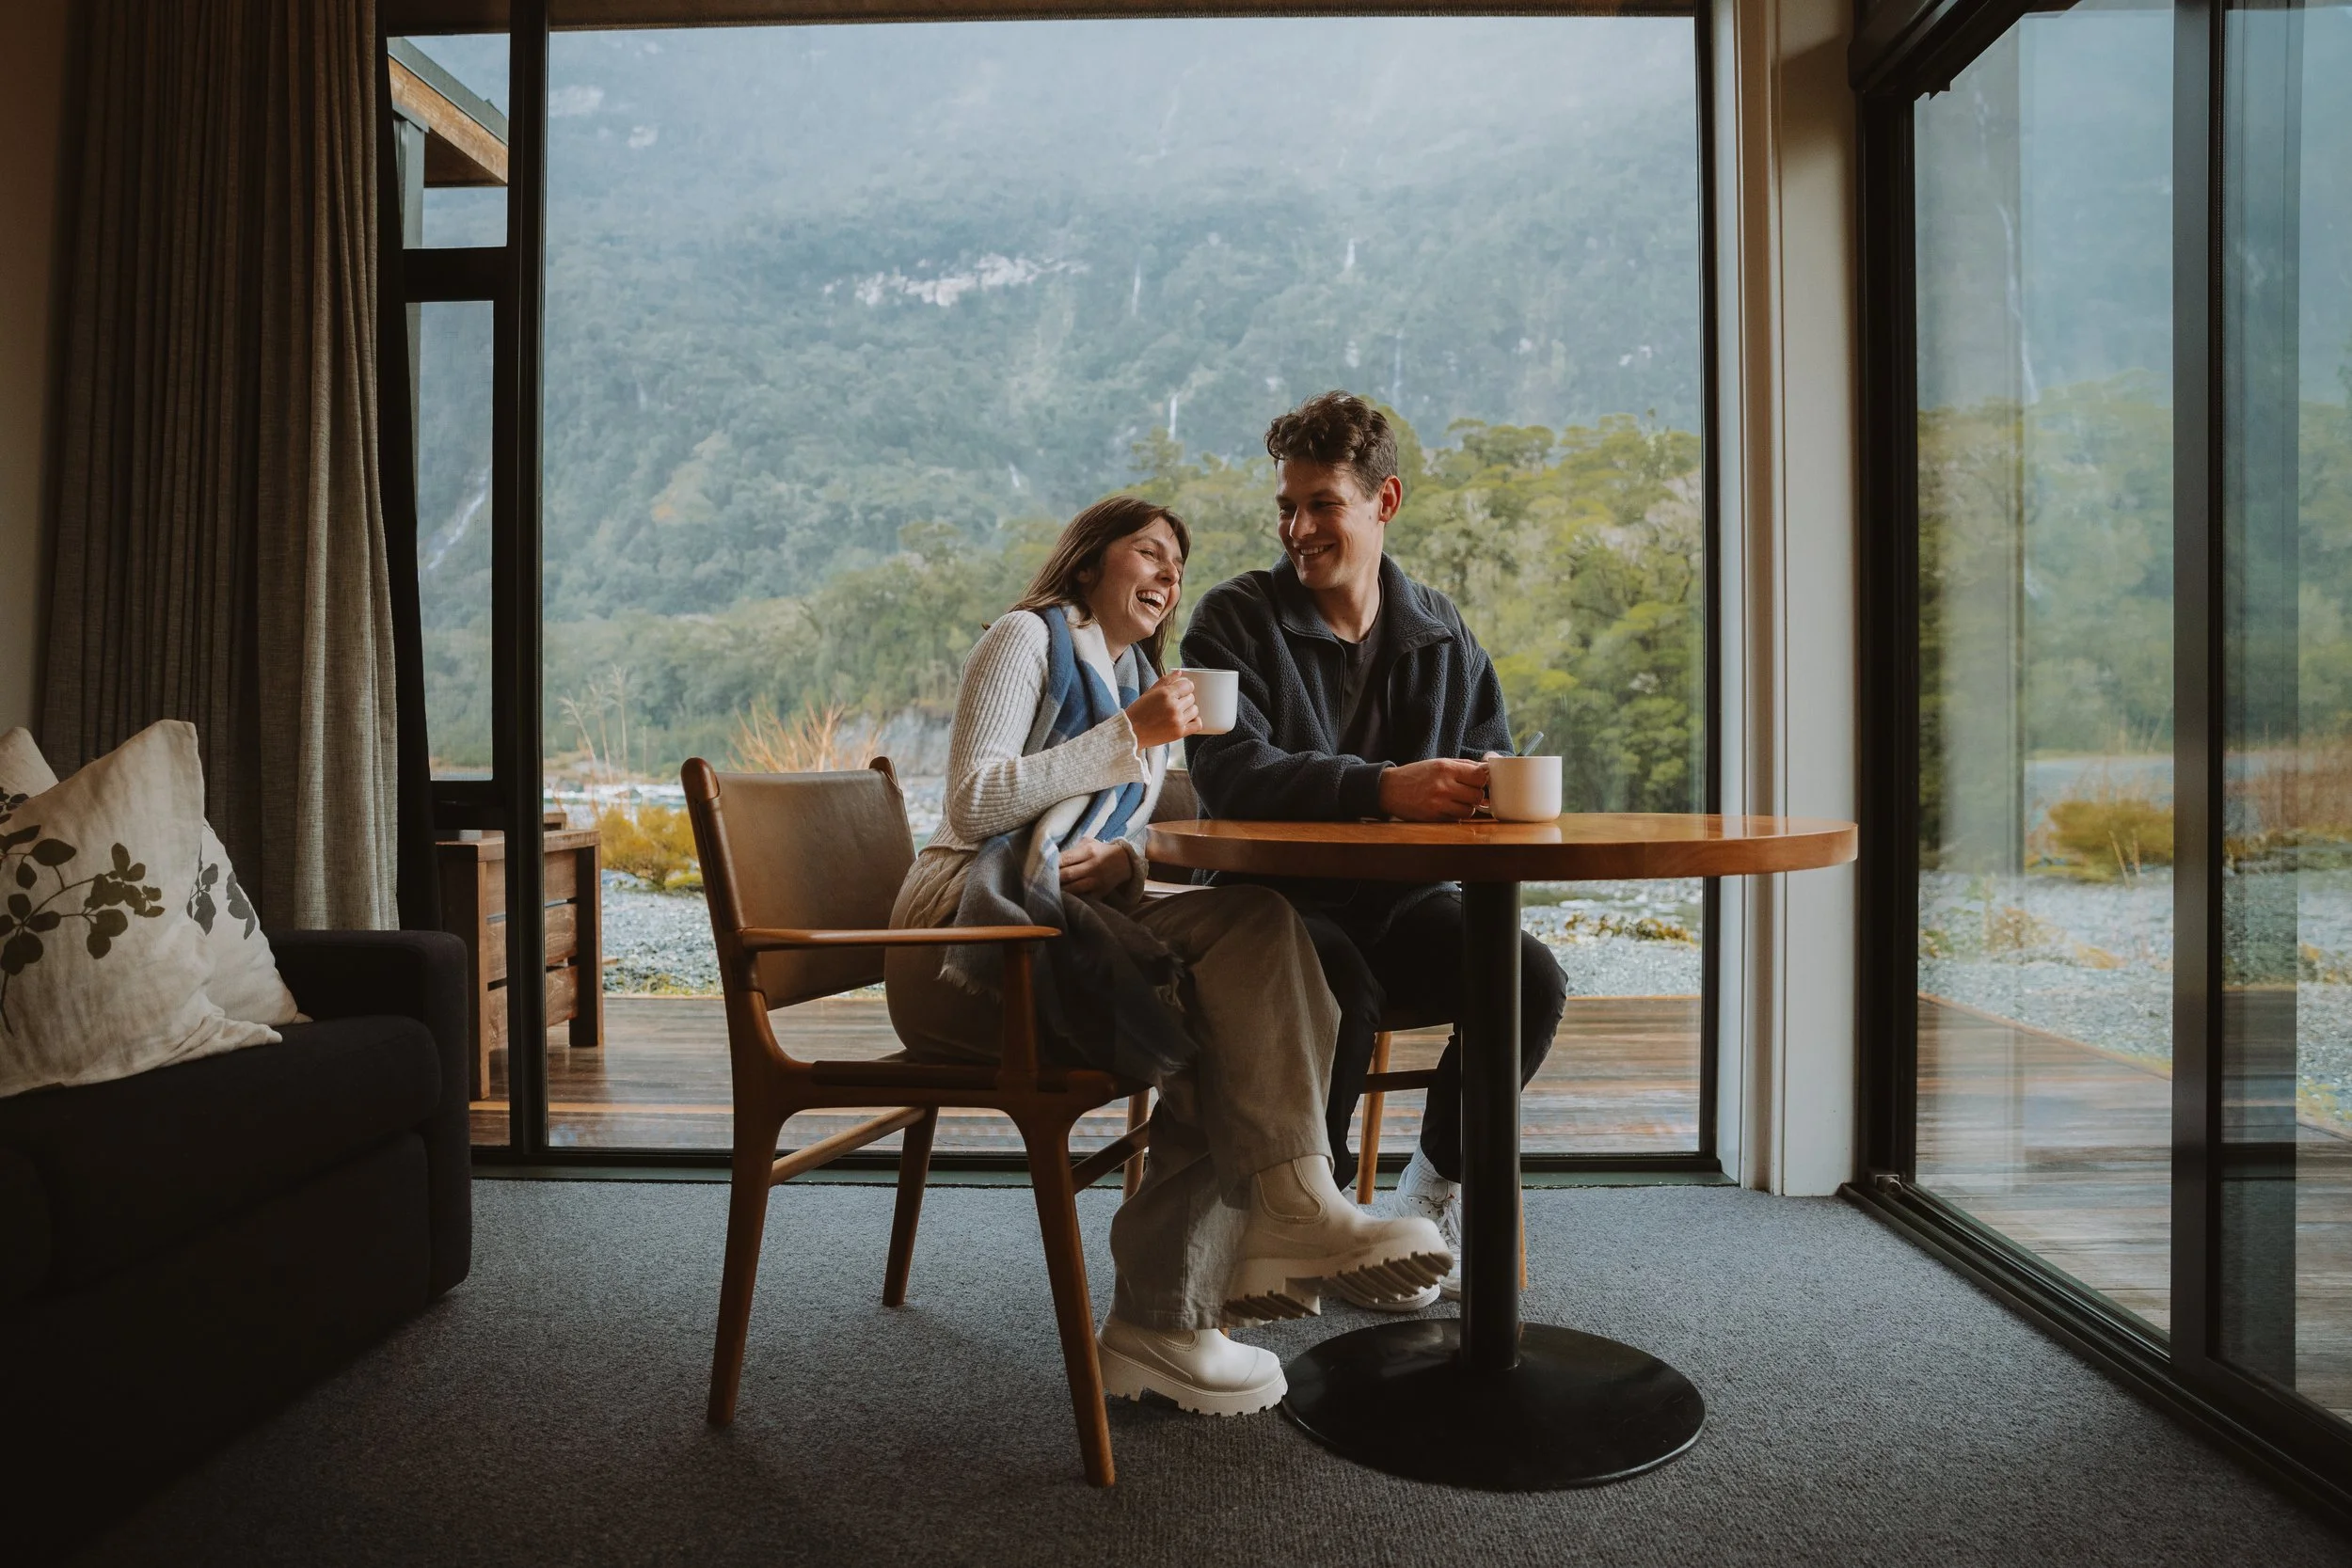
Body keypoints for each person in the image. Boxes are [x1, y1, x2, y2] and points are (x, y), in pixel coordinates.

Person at [884, 494, 1450, 1418]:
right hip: (963, 934)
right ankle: (1166, 1310)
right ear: (1086, 564)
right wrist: (1131, 736)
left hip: (1065, 922)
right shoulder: (1026, 639)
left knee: (1259, 925)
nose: (1168, 575)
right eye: (1148, 553)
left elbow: (1117, 826)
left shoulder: (1134, 673)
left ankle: (1283, 1203)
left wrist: (1133, 852)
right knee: (1217, 1002)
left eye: (1177, 566)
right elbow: (975, 806)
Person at [1180, 391, 1569, 1310]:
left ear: (1383, 502)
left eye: (1322, 503)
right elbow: (1228, 770)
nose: (1297, 526)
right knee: (1336, 978)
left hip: (1402, 904)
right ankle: (1304, 1215)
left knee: (1529, 979)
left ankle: (1423, 1195)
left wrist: (1480, 790)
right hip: (1267, 910)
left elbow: (1488, 748)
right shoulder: (1232, 618)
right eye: (1286, 504)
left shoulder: (1440, 627)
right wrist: (1383, 786)